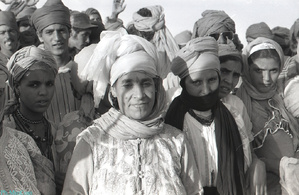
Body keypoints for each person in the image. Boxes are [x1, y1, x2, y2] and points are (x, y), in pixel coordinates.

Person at [62, 30, 201, 195]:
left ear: (156, 87)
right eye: (127, 84)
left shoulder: (176, 141)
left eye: (146, 83)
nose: (140, 95)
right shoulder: (92, 141)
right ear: (113, 90)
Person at [165, 37, 267, 194]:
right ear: (184, 83)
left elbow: (246, 159)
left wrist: (257, 163)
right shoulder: (171, 118)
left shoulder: (233, 115)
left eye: (212, 80)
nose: (206, 90)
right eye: (196, 82)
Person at [236, 37, 299, 194]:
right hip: (262, 185)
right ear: (247, 69)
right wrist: (264, 163)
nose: (267, 79)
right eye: (259, 71)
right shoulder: (238, 103)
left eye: (273, 71)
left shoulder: (282, 96)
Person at [1, 45, 58, 195]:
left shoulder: (56, 131)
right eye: (34, 85)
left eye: (49, 84)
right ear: (17, 88)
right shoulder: (9, 133)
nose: (43, 92)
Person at [31, 0, 81, 125]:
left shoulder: (84, 72)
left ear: (70, 32)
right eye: (49, 32)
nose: (57, 38)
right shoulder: (30, 75)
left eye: (61, 31)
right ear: (40, 36)